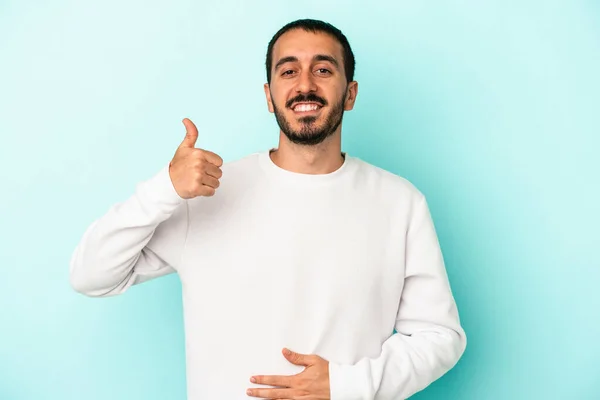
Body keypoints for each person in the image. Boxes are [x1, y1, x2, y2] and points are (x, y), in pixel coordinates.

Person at [69, 18, 467, 400]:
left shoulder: (399, 203)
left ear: (350, 94)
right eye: (288, 71)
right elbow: (91, 275)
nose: (305, 85)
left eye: (324, 70)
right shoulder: (208, 195)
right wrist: (165, 188)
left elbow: (439, 335)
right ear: (269, 94)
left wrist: (346, 386)